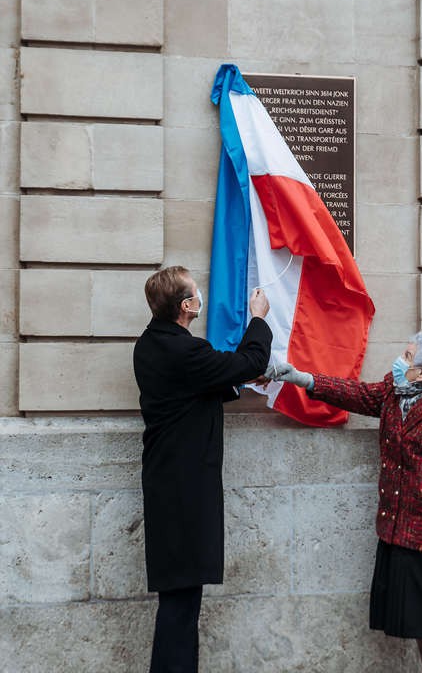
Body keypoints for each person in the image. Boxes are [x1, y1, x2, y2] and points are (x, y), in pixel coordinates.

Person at [267, 332, 422, 673]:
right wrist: (304, 379)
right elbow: (357, 394)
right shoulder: (394, 393)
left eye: (407, 357)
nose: (399, 361)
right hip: (396, 532)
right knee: (419, 631)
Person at [133, 265, 272, 673]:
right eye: (196, 293)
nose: (201, 297)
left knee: (180, 600)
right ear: (186, 306)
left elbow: (197, 388)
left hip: (168, 481)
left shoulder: (152, 344)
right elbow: (248, 360)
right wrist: (259, 318)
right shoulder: (183, 350)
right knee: (180, 604)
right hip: (183, 489)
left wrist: (227, 379)